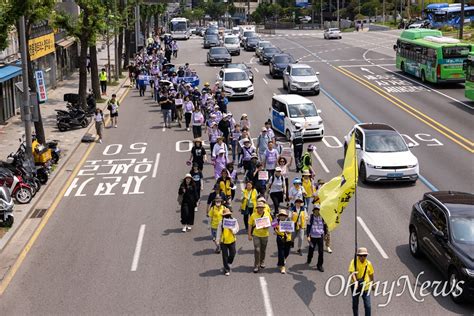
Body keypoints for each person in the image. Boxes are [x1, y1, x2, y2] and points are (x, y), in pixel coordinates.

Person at [248, 201, 273, 273]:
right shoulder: (253, 215)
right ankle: (256, 265)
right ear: (257, 208)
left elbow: (272, 223)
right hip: (256, 235)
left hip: (265, 235)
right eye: (259, 208)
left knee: (263, 250)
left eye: (261, 208)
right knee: (257, 249)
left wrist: (268, 226)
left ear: (264, 208)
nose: (260, 209)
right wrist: (249, 235)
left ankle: (262, 261)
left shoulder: (267, 214)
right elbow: (250, 225)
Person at [349, 247, 374, 316]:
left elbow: (371, 274)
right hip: (355, 287)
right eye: (361, 256)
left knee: (368, 306)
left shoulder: (368, 263)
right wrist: (355, 281)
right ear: (358, 256)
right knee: (355, 304)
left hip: (365, 287)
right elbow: (352, 273)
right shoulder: (354, 262)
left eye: (365, 255)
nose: (363, 257)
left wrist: (372, 284)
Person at [216, 208, 239, 276]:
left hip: (232, 240)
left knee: (233, 253)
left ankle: (228, 263)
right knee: (225, 256)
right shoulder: (221, 222)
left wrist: (232, 230)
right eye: (225, 215)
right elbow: (219, 231)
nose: (227, 216)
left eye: (228, 215)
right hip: (224, 242)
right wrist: (218, 240)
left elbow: (237, 229)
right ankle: (226, 269)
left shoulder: (234, 221)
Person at [306, 204, 327, 272]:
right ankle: (309, 258)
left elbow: (325, 226)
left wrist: (325, 235)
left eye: (318, 210)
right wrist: (308, 236)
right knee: (311, 250)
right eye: (316, 210)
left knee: (321, 252)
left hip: (320, 236)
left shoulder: (323, 217)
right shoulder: (311, 217)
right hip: (312, 236)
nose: (317, 211)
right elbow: (308, 227)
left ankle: (319, 265)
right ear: (314, 210)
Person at [274, 209, 292, 274]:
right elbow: (274, 229)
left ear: (285, 216)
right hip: (280, 238)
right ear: (279, 216)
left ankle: (281, 261)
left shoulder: (288, 221)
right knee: (281, 252)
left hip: (288, 239)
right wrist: (277, 231)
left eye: (283, 215)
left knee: (287, 252)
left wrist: (288, 231)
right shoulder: (276, 221)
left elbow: (292, 229)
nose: (282, 216)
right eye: (281, 215)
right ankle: (282, 266)